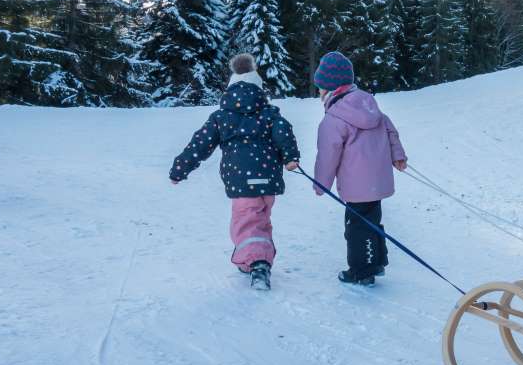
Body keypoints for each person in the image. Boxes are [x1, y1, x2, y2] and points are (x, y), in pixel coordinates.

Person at [169, 54, 300, 290]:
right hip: (268, 181)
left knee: (246, 223)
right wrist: (290, 158)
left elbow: (200, 144)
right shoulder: (270, 114)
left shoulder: (222, 117)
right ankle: (256, 257)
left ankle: (257, 263)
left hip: (241, 182)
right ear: (259, 89)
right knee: (260, 220)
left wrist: (180, 168)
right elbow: (284, 134)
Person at [313, 51, 407, 287]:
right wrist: (398, 156)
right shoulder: (371, 106)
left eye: (320, 88)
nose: (319, 93)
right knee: (372, 221)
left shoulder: (334, 118)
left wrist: (321, 183)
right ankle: (376, 262)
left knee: (356, 227)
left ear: (330, 89)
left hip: (356, 186)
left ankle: (361, 271)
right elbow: (390, 130)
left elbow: (328, 154)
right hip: (379, 180)